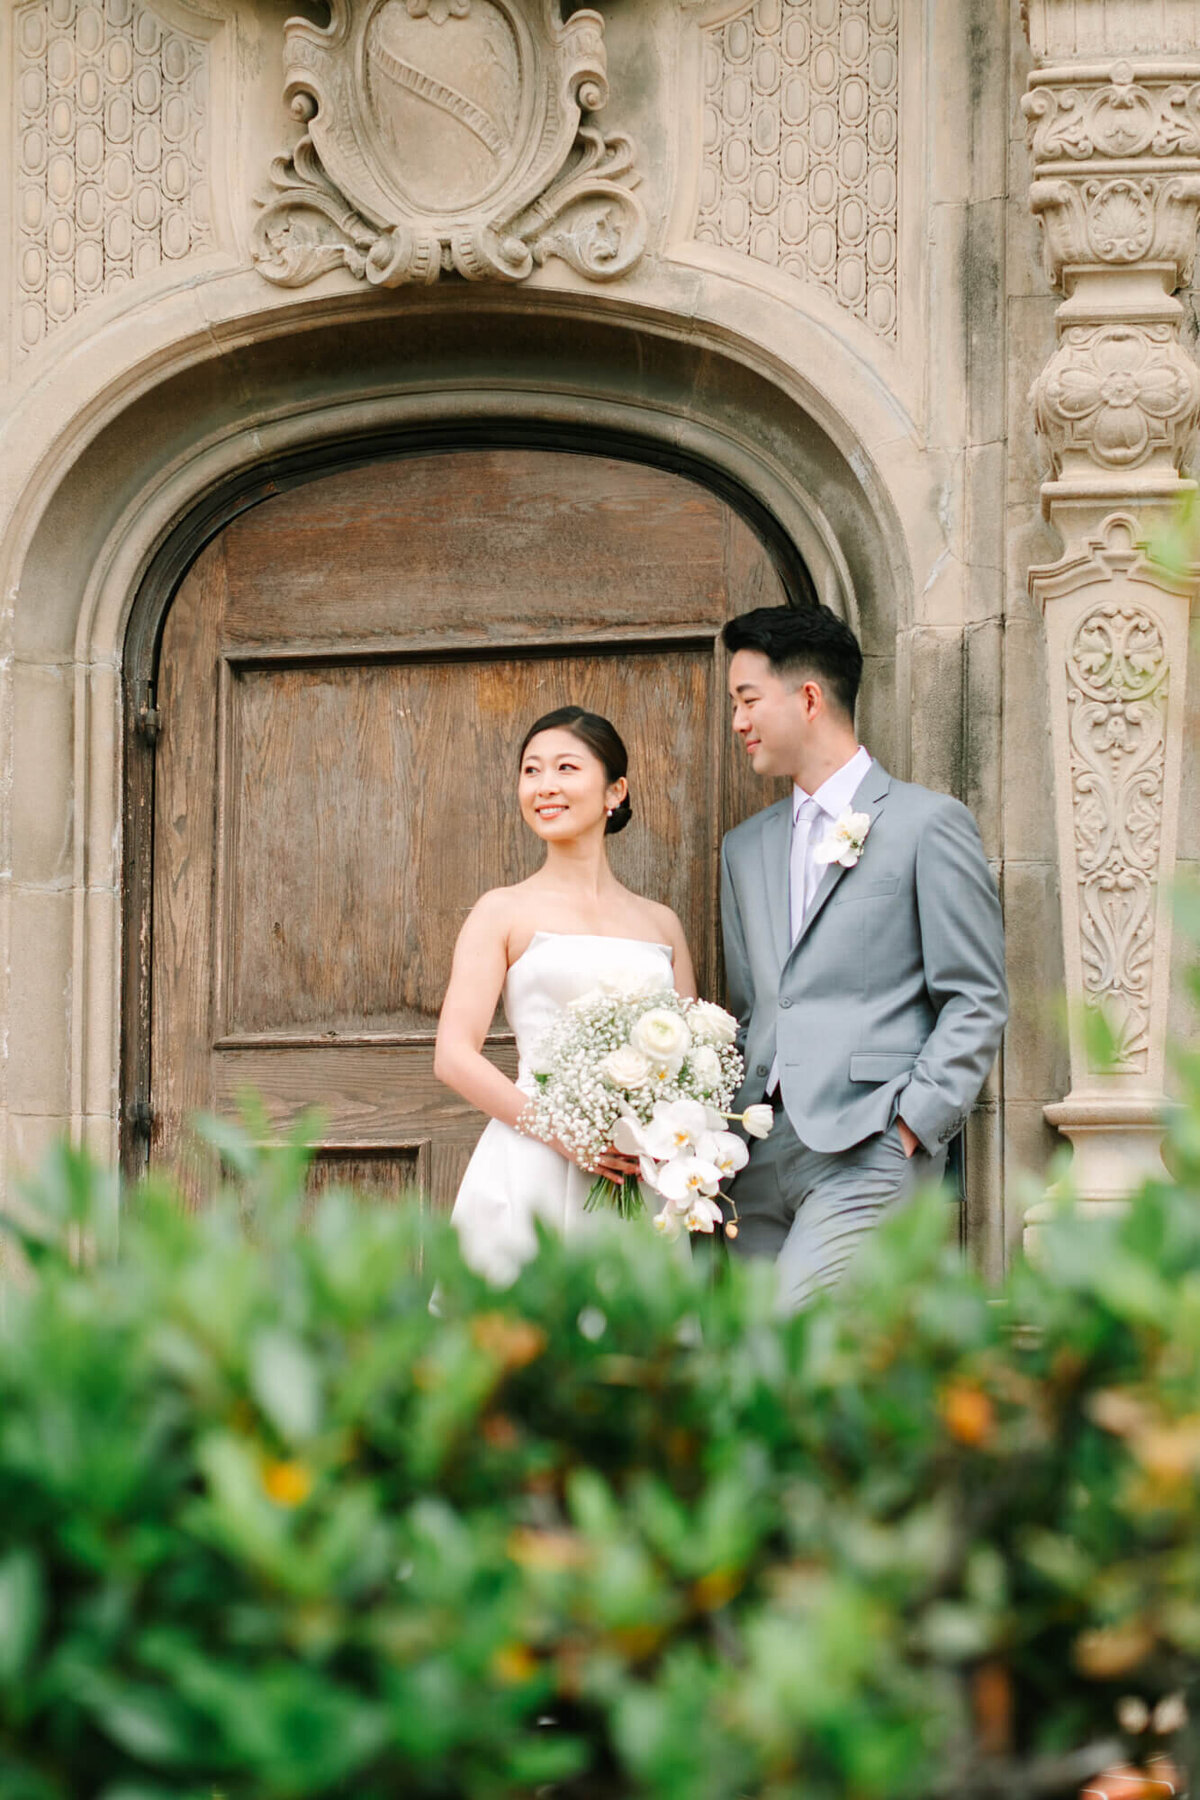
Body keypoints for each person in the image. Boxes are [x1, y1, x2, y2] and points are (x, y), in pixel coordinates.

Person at [720, 603, 1008, 1311]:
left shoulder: (925, 824)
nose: (738, 722)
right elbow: (755, 1005)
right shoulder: (744, 848)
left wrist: (911, 1127)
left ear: (809, 697)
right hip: (756, 1165)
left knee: (786, 1341)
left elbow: (976, 996)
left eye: (747, 699)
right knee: (748, 1369)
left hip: (868, 1148)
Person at [435, 705, 697, 1284]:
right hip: (530, 1162)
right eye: (531, 771)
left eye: (565, 768)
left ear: (615, 790)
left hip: (638, 1174)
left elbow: (689, 1061)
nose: (544, 786)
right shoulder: (501, 911)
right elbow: (453, 1054)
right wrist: (566, 1136)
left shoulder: (661, 925)